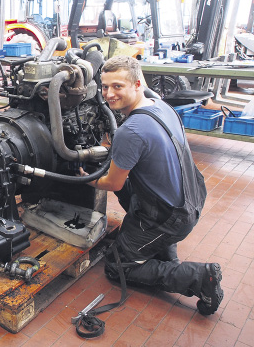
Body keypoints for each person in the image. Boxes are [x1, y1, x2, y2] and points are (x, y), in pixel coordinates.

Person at [81, 55, 223, 315]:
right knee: (131, 191)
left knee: (117, 266)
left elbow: (112, 183)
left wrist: (86, 177)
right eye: (104, 87)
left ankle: (200, 278)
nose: (109, 94)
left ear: (136, 84)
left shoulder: (131, 131)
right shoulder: (160, 104)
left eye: (117, 86)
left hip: (171, 217)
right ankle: (162, 252)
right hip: (192, 195)